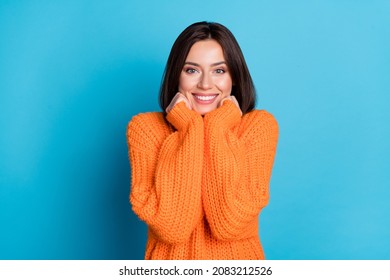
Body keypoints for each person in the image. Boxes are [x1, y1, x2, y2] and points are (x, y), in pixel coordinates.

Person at [126, 21, 278, 260]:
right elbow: (172, 227)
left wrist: (217, 125)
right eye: (192, 70)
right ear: (177, 75)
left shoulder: (258, 127)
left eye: (219, 70)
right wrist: (190, 127)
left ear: (234, 77)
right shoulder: (146, 130)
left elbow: (230, 224)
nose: (205, 84)